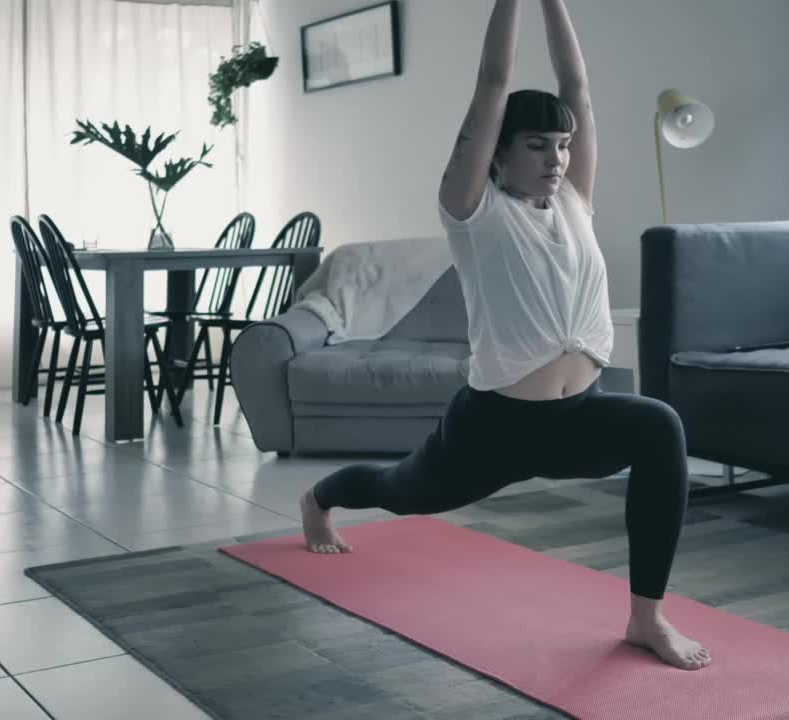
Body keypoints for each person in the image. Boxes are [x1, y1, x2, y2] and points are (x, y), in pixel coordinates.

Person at [299, 0, 711, 672]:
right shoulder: (471, 210)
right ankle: (319, 500)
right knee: (401, 489)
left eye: (563, 145)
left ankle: (645, 619)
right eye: (536, 145)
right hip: (493, 428)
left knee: (659, 426)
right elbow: (493, 82)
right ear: (498, 151)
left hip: (578, 416)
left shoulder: (573, 200)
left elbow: (576, 90)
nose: (556, 158)